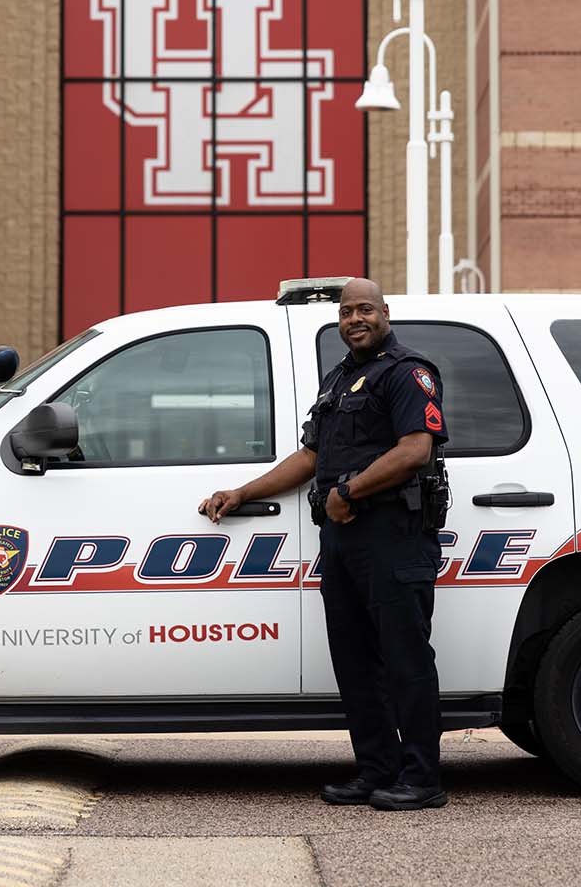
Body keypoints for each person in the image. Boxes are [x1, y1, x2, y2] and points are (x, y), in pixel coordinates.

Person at [199, 278, 450, 811]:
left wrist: (347, 492)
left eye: (364, 309)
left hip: (393, 536)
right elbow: (310, 456)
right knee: (356, 662)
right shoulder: (340, 380)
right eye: (345, 313)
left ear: (385, 312)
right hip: (343, 538)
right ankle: (376, 770)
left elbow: (414, 450)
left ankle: (422, 779)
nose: (354, 319)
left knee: (406, 659)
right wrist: (242, 492)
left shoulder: (408, 373)